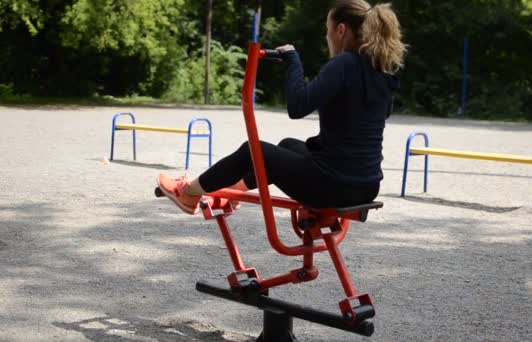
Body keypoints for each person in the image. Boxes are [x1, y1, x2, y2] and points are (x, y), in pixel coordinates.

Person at [157, 0, 406, 215]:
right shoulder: (382, 69)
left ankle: (187, 192)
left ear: (341, 30)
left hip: (334, 186)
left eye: (327, 30)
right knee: (288, 146)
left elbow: (297, 107)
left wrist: (293, 62)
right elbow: (374, 116)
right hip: (367, 185)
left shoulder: (343, 64)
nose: (327, 36)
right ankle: (232, 193)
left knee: (254, 150)